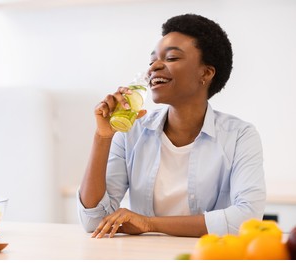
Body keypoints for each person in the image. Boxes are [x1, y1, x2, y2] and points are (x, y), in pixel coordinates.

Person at [77, 14, 266, 238]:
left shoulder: (239, 136)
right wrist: (103, 136)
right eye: (152, 61)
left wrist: (149, 224)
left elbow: (247, 218)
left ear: (205, 73)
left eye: (172, 58)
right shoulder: (132, 131)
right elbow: (94, 220)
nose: (155, 66)